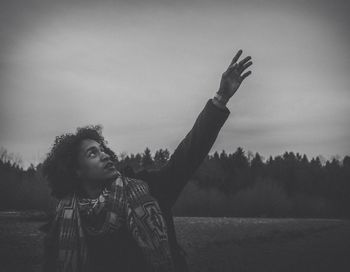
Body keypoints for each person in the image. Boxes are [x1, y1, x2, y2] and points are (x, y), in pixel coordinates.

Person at [40, 49, 252, 272]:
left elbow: (188, 155)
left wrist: (221, 98)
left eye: (102, 149)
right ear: (76, 171)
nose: (104, 154)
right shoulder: (64, 220)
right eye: (92, 153)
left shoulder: (149, 190)